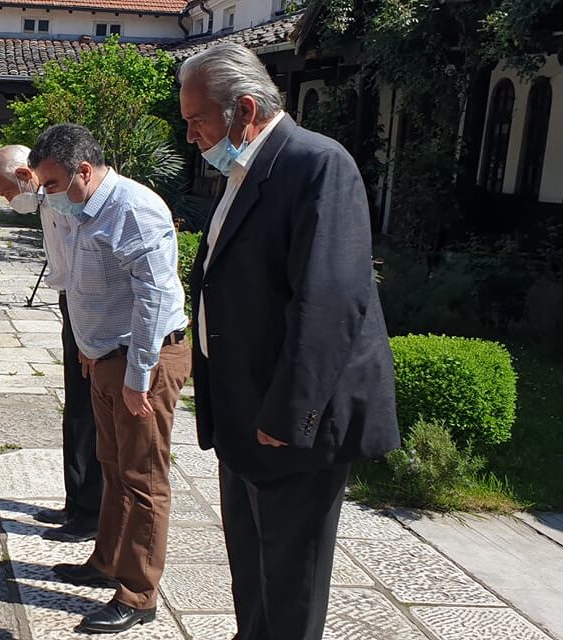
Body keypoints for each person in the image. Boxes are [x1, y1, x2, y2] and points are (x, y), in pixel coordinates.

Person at [179, 43, 400, 640]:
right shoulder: (245, 168)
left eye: (198, 119)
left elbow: (328, 303)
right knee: (251, 568)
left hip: (290, 422)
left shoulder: (316, 164)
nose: (192, 133)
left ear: (244, 109)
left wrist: (289, 414)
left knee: (291, 579)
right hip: (243, 410)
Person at [29, 124, 189, 634]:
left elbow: (156, 299)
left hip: (144, 360)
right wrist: (87, 349)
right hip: (103, 356)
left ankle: (139, 593)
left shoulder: (134, 210)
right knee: (112, 466)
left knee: (142, 479)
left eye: (51, 184)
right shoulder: (76, 204)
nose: (46, 195)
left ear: (82, 170)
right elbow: (80, 281)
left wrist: (139, 375)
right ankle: (106, 563)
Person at [0, 145, 103, 543]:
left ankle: (91, 515)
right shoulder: (45, 200)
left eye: (5, 192)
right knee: (75, 410)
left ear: (23, 174)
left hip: (92, 308)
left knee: (90, 414)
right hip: (71, 302)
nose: (7, 201)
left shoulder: (68, 198)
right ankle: (76, 502)